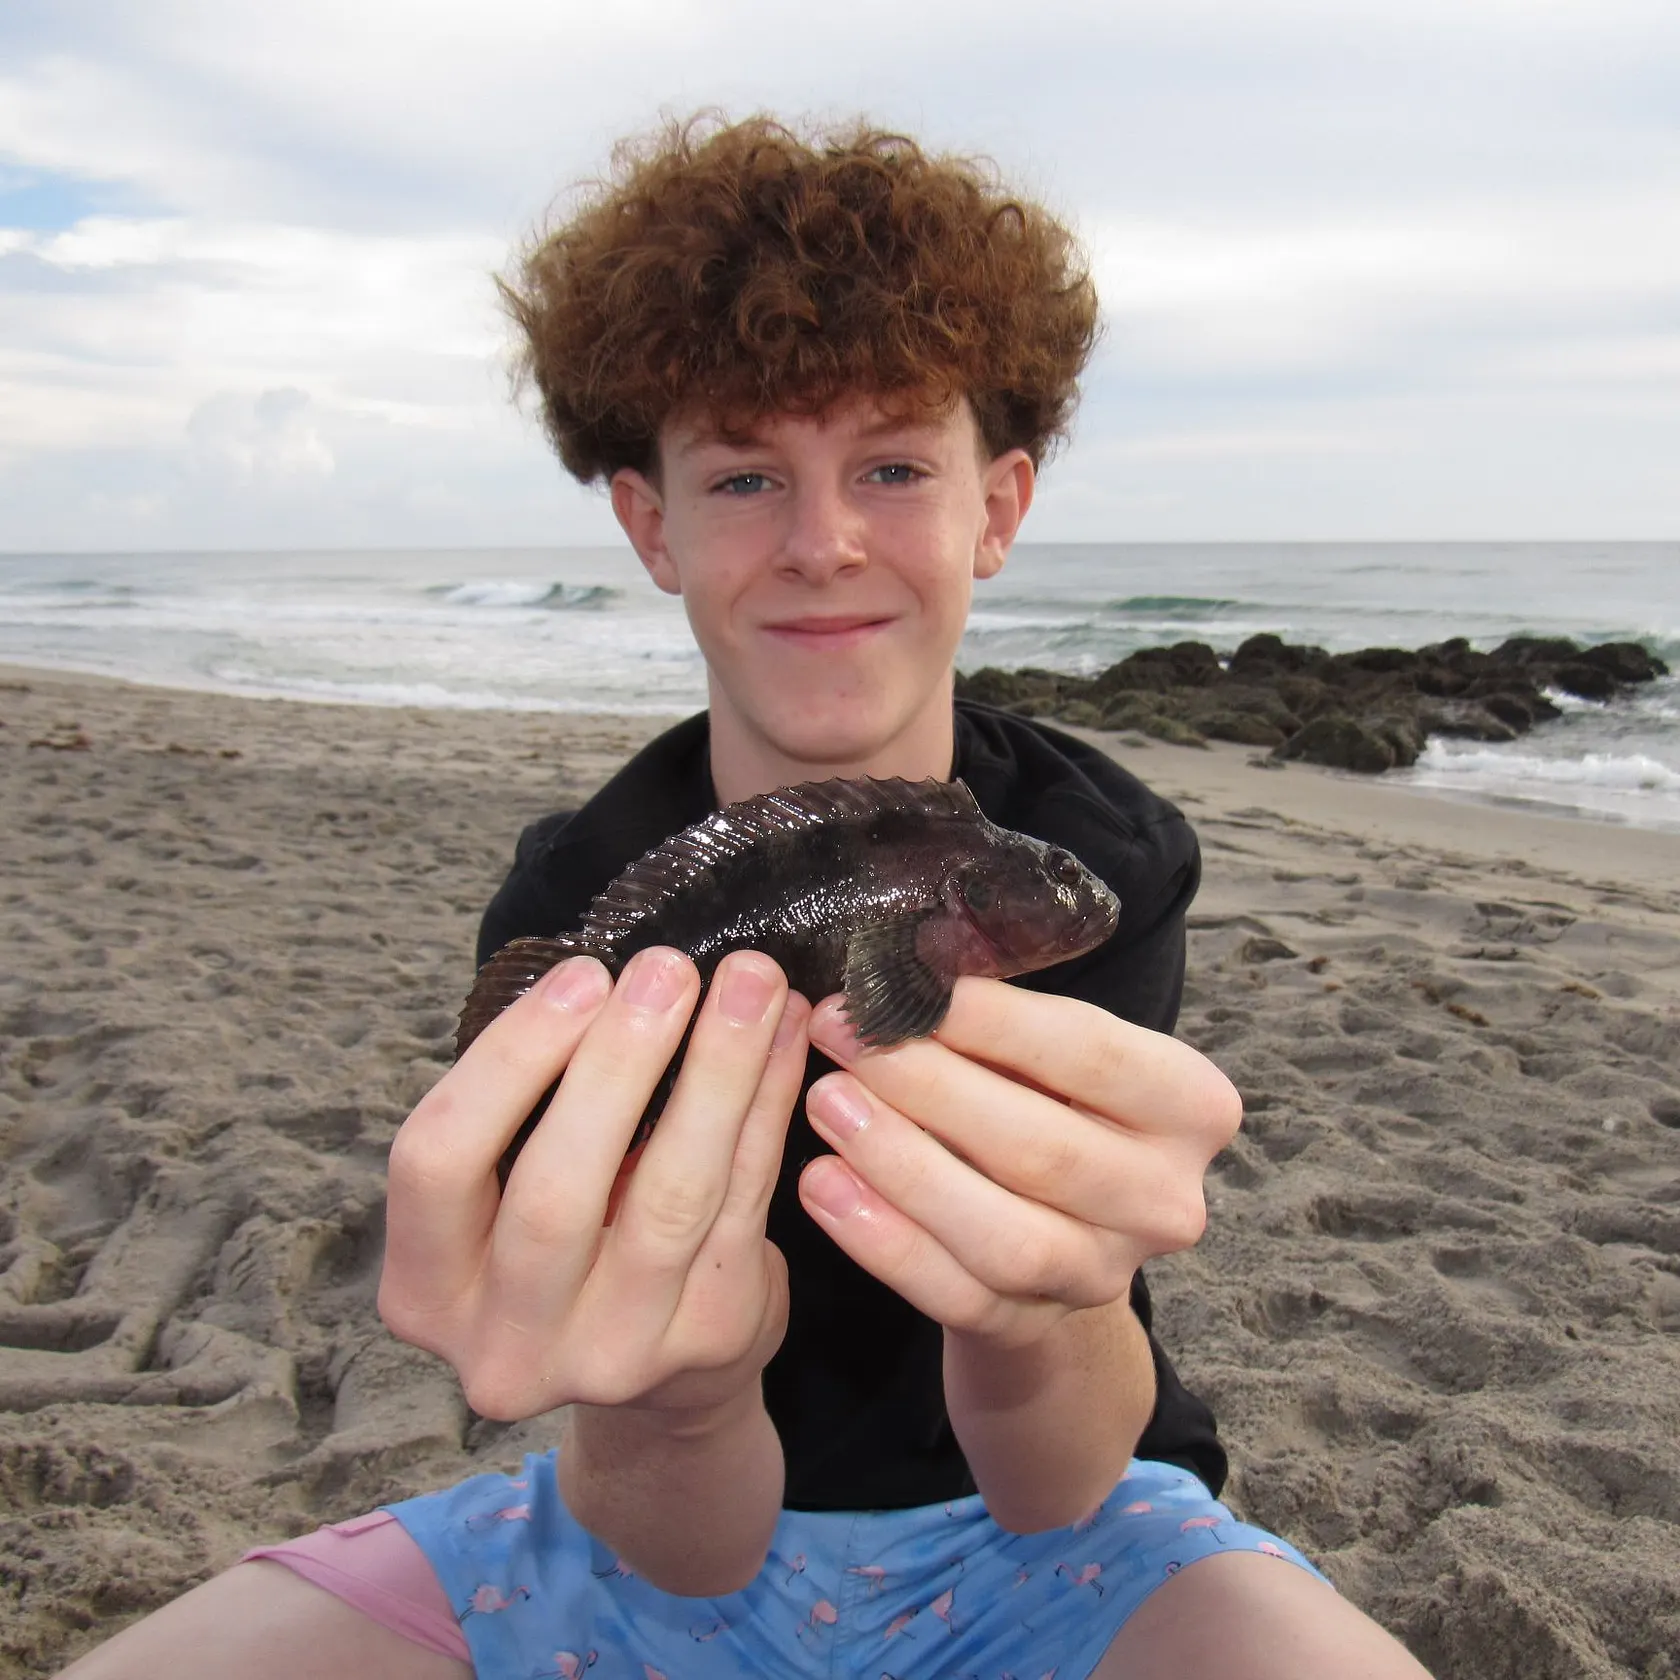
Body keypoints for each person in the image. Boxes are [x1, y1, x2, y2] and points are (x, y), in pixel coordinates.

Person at [60, 115, 1432, 1679]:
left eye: (897, 464)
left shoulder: (1097, 854)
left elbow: (1057, 1488)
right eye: (745, 477)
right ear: (653, 522)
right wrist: (675, 1387)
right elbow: (676, 1542)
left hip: (1077, 1529)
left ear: (999, 507)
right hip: (640, 1527)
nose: (824, 542)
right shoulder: (578, 905)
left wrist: (1044, 1307)